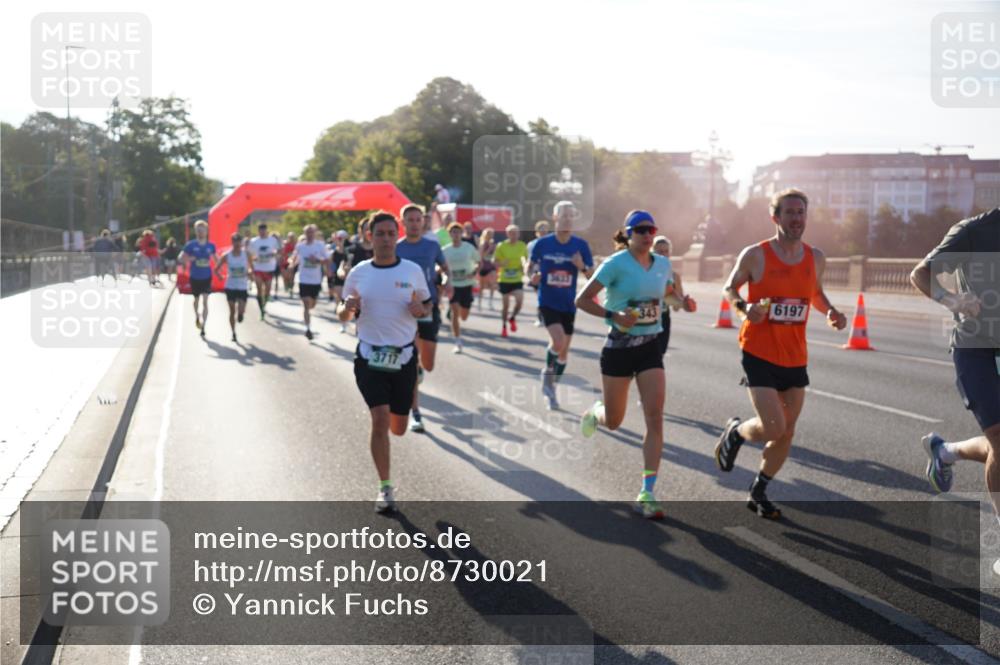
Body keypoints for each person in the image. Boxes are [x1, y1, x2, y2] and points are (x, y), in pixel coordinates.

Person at [715, 189, 847, 519]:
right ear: (775, 217)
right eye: (789, 212)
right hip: (758, 351)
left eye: (801, 212)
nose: (796, 218)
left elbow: (815, 293)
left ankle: (759, 490)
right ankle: (736, 432)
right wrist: (744, 308)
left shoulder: (815, 257)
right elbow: (729, 288)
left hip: (795, 356)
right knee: (773, 427)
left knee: (787, 431)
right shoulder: (756, 255)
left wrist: (830, 311)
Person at [910, 207, 1000, 576]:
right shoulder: (975, 230)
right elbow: (921, 274)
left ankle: (945, 452)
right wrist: (954, 301)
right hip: (977, 349)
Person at [575, 211, 675, 518]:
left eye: (651, 230)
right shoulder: (615, 264)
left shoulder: (663, 264)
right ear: (628, 234)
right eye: (641, 230)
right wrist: (613, 316)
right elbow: (583, 299)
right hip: (618, 349)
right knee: (615, 420)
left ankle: (647, 491)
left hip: (649, 348)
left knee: (655, 416)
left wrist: (684, 302)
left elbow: (665, 296)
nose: (647, 235)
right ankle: (596, 412)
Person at [338, 211, 432, 513]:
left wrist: (420, 309)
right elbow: (342, 312)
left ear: (397, 235)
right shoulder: (359, 272)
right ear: (370, 237)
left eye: (392, 233)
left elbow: (426, 307)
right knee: (379, 418)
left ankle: (404, 413)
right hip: (369, 356)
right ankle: (385, 487)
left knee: (399, 427)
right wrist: (347, 308)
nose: (387, 239)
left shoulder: (413, 270)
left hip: (403, 357)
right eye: (381, 234)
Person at [527, 201, 594, 409]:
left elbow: (593, 276)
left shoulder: (580, 246)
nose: (566, 219)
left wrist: (581, 266)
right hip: (547, 301)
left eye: (570, 216)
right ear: (555, 218)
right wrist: (533, 277)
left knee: (564, 352)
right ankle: (547, 376)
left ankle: (552, 386)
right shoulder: (542, 244)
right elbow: (530, 269)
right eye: (563, 215)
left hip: (568, 304)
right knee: (557, 341)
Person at [396, 204, 452, 433]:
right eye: (410, 220)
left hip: (429, 307)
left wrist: (447, 280)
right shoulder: (397, 248)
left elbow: (445, 267)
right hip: (403, 309)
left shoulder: (432, 245)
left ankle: (418, 368)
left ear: (423, 222)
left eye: (418, 219)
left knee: (427, 364)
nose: (415, 223)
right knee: (409, 363)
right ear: (403, 223)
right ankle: (415, 413)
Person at [652, 235, 696, 356]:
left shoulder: (674, 276)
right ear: (652, 252)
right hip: (647, 318)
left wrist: (684, 303)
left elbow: (677, 306)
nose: (663, 254)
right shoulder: (645, 271)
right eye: (659, 251)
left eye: (666, 251)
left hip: (664, 318)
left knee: (659, 356)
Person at [442, 221, 480, 353]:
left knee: (464, 316)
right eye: (453, 232)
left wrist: (474, 273)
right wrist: (443, 276)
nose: (456, 235)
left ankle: (459, 311)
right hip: (453, 285)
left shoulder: (468, 247)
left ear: (461, 233)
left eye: (458, 232)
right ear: (449, 234)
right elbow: (441, 267)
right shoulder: (445, 250)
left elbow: (478, 262)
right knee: (455, 314)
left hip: (467, 284)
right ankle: (457, 341)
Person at [179, 221, 220, 337]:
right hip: (195, 277)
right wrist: (188, 259)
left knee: (205, 301)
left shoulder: (211, 246)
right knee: (196, 300)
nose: (200, 232)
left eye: (202, 230)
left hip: (207, 277)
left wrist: (219, 269)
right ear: (195, 231)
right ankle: (197, 316)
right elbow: (181, 258)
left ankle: (204, 326)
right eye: (198, 230)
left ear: (206, 231)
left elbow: (217, 260)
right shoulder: (190, 245)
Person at [290, 225, 330, 340]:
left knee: (312, 304)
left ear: (315, 233)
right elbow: (294, 258)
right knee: (306, 304)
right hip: (303, 279)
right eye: (307, 232)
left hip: (316, 280)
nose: (309, 235)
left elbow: (327, 259)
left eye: (311, 232)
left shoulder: (320, 245)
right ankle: (308, 328)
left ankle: (308, 315)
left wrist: (317, 260)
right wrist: (290, 265)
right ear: (304, 233)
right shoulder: (300, 246)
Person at [216, 232, 253, 342]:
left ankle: (241, 314)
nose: (237, 244)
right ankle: (233, 333)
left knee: (241, 309)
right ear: (232, 242)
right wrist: (220, 276)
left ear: (241, 242)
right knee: (232, 310)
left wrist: (250, 273)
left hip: (242, 286)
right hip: (230, 286)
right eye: (234, 241)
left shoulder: (246, 254)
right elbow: (216, 269)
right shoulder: (227, 256)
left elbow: (251, 267)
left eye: (238, 241)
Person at [494, 224, 529, 337]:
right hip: (504, 279)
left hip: (517, 279)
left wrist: (524, 267)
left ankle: (512, 317)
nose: (514, 235)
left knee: (519, 302)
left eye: (516, 233)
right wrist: (501, 263)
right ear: (507, 234)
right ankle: (504, 326)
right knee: (505, 306)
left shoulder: (522, 245)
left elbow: (526, 260)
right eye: (511, 233)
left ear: (518, 234)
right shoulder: (501, 246)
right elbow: (494, 262)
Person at [248, 223, 281, 319]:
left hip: (269, 268)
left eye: (264, 231)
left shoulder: (272, 240)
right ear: (258, 231)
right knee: (259, 289)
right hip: (258, 268)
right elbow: (249, 255)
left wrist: (274, 254)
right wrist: (253, 260)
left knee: (267, 291)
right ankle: (261, 309)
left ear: (266, 231)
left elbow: (279, 251)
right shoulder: (254, 241)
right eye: (260, 231)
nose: (262, 233)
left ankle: (264, 305)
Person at [527, 220, 552, 327]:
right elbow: (530, 261)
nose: (543, 233)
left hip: (550, 273)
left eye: (545, 231)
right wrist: (529, 274)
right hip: (537, 273)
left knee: (550, 297)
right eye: (541, 231)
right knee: (541, 296)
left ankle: (550, 318)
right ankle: (541, 317)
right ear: (537, 231)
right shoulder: (532, 244)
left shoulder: (552, 243)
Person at [327, 229, 349, 310]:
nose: (342, 241)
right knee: (339, 294)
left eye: (344, 239)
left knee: (345, 295)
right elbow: (330, 264)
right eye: (340, 239)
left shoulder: (350, 251)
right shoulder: (333, 252)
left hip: (347, 276)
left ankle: (341, 307)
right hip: (336, 276)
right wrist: (330, 273)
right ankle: (338, 307)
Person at [477, 228, 498, 310]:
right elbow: (481, 256)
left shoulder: (493, 244)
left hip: (491, 267)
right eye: (488, 234)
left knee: (492, 284)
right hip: (483, 266)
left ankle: (490, 302)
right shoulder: (483, 244)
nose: (490, 236)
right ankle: (480, 303)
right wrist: (489, 248)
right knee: (481, 287)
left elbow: (495, 256)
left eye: (491, 234)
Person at [280, 232, 297, 297]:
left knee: (292, 277)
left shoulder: (296, 244)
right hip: (285, 263)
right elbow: (283, 253)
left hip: (293, 263)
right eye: (290, 237)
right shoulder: (285, 244)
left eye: (292, 237)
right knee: (285, 277)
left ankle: (291, 289)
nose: (291, 238)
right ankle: (286, 286)